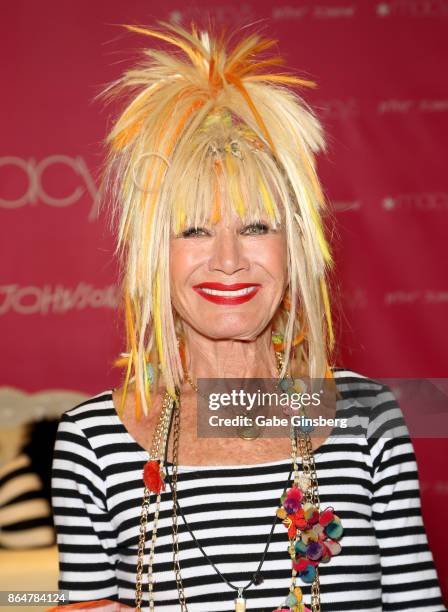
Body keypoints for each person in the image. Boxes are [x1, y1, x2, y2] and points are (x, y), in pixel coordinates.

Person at [51, 21, 446, 612]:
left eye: (256, 226)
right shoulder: (91, 443)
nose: (229, 260)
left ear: (296, 248)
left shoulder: (367, 418)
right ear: (155, 257)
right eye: (194, 230)